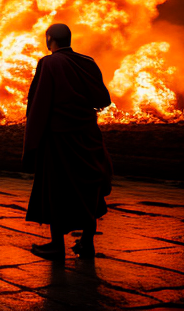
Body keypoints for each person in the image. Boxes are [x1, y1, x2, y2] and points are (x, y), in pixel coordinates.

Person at [23, 23, 113, 260]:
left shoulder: (49, 63)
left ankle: (56, 245)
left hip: (60, 139)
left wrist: (31, 141)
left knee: (57, 189)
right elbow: (103, 99)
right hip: (88, 135)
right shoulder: (88, 62)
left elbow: (39, 103)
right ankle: (87, 243)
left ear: (49, 39)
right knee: (88, 189)